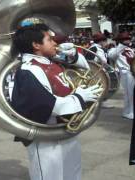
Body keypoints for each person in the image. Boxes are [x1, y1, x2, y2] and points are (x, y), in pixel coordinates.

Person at [11, 24, 102, 180]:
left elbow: (87, 69)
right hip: (47, 139)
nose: (55, 43)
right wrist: (79, 98)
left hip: (67, 131)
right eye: (49, 39)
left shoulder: (51, 61)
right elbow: (46, 104)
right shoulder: (29, 70)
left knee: (72, 175)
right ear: (36, 45)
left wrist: (73, 55)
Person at [108, 32, 135, 120]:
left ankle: (130, 111)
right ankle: (128, 112)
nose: (128, 40)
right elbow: (111, 56)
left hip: (132, 72)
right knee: (128, 94)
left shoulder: (130, 49)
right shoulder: (115, 50)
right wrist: (121, 45)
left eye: (128, 39)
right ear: (121, 41)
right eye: (126, 39)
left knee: (132, 93)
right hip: (125, 73)